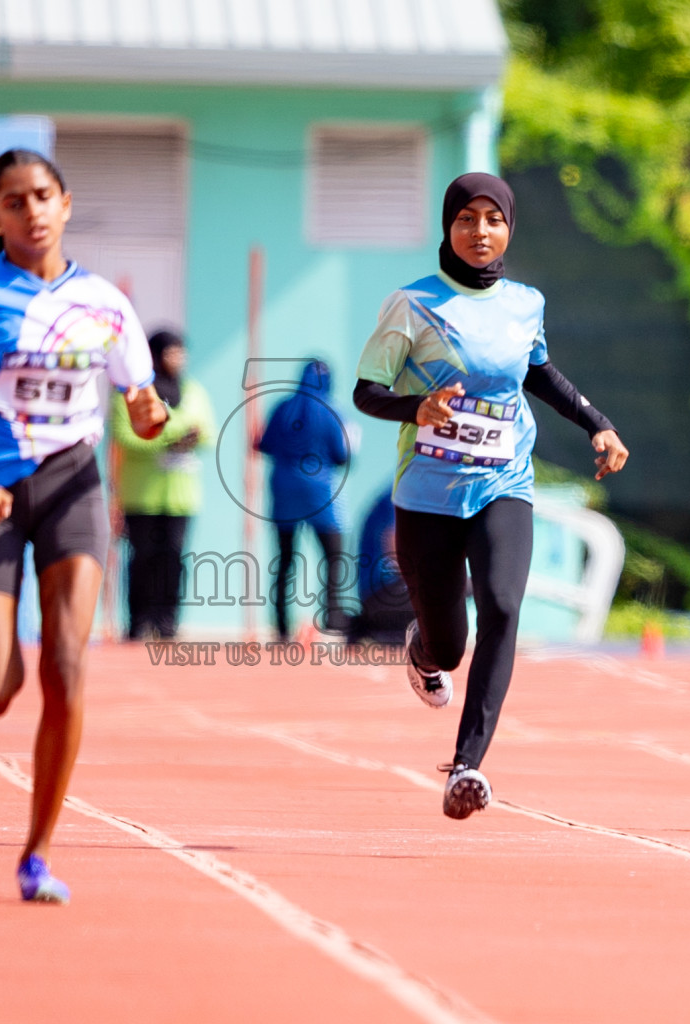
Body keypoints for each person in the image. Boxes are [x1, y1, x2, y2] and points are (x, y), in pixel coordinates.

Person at [0, 149, 167, 904]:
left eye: (43, 196)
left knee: (67, 666)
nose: (32, 211)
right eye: (14, 202)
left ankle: (38, 854)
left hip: (71, 486)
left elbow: (139, 402)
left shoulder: (107, 304)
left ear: (66, 204)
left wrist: (147, 412)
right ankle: (8, 644)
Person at [353, 172, 629, 819]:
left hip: (504, 480)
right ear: (449, 228)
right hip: (427, 495)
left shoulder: (524, 303)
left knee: (503, 605)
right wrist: (416, 407)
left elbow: (538, 372)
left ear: (508, 228)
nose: (481, 232)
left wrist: (598, 422)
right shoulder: (413, 305)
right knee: (451, 644)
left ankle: (467, 767)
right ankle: (423, 649)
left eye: (494, 220)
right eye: (467, 219)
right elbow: (366, 390)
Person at [111, 329, 215, 640]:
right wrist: (169, 439)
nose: (177, 359)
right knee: (142, 558)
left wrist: (174, 434)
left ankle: (167, 621)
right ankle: (139, 621)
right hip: (141, 494)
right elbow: (126, 435)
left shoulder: (193, 390)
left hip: (181, 495)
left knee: (173, 558)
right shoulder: (132, 392)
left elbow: (207, 432)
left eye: (181, 352)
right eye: (171, 352)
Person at [258, 359, 351, 639]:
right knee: (334, 557)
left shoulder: (282, 408)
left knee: (285, 559)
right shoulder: (333, 412)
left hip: (284, 489)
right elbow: (342, 455)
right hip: (320, 492)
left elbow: (264, 445)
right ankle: (333, 621)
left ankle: (281, 627)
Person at [346, 486, 415, 645]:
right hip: (383, 592)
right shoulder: (403, 492)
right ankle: (383, 630)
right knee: (460, 585)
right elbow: (393, 542)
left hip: (374, 595)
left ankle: (376, 629)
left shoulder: (397, 490)